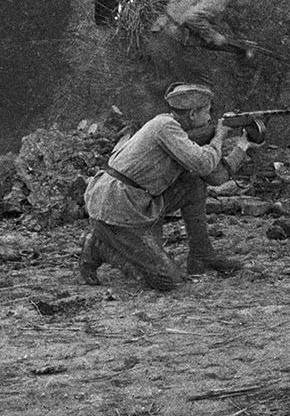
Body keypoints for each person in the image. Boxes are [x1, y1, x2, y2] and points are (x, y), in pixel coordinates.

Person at [79, 82, 256, 290]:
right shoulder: (165, 127)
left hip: (138, 200)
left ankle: (202, 255)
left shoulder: (180, 133)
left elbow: (214, 176)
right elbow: (203, 162)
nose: (210, 119)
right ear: (192, 114)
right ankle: (99, 246)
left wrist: (244, 146)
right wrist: (219, 136)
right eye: (207, 113)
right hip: (118, 204)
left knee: (193, 184)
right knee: (167, 281)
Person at [154, 0, 260, 59]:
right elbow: (192, 18)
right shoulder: (219, 0)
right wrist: (213, 35)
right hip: (170, 25)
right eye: (245, 4)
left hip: (171, 19)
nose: (243, 8)